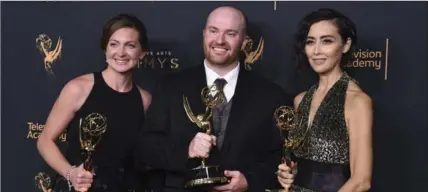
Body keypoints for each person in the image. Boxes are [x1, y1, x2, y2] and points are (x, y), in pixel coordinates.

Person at [135, 6, 295, 192]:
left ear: (244, 41)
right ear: (204, 34)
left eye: (230, 33)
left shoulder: (271, 95)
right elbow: (145, 149)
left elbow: (281, 157)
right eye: (214, 31)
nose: (220, 40)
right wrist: (187, 150)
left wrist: (249, 181)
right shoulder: (171, 87)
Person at [37, 13, 152, 192]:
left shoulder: (144, 99)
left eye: (130, 46)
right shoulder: (78, 88)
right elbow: (45, 141)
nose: (120, 53)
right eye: (114, 44)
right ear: (105, 50)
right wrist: (71, 173)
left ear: (142, 53)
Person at [277, 8, 373, 192]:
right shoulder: (300, 100)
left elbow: (361, 181)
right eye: (310, 42)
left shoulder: (356, 101)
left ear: (345, 45)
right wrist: (290, 173)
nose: (316, 51)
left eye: (327, 41)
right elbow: (306, 164)